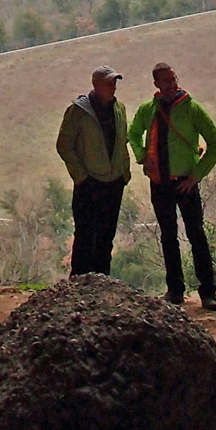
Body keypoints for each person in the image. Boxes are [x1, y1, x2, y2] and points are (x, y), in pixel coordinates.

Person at [128, 60, 216, 310]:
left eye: (174, 79)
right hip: (159, 182)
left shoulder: (192, 109)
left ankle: (208, 292)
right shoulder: (148, 109)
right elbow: (133, 132)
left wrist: (196, 176)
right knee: (168, 236)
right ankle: (175, 290)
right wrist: (142, 157)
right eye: (166, 81)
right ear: (156, 84)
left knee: (197, 236)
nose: (172, 84)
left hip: (186, 183)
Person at [56, 63, 131, 277]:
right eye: (109, 82)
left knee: (107, 236)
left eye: (115, 82)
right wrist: (81, 176)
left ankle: (102, 282)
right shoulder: (78, 111)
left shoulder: (119, 109)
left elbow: (122, 141)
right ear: (96, 85)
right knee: (85, 235)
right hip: (89, 184)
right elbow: (64, 145)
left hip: (114, 183)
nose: (113, 87)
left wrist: (124, 173)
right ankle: (79, 284)